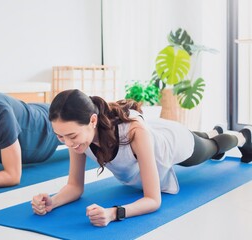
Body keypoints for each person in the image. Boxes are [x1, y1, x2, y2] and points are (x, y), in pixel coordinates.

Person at [31, 89, 252, 227]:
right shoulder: (77, 137)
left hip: (173, 144)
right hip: (153, 134)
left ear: (92, 121)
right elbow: (74, 187)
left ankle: (243, 137)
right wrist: (53, 201)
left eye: (71, 136)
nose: (68, 143)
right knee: (205, 139)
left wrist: (114, 213)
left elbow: (153, 200)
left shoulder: (135, 133)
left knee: (211, 148)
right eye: (60, 137)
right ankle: (213, 131)